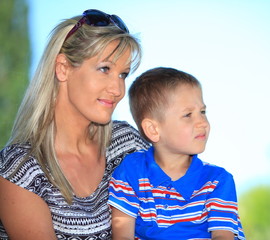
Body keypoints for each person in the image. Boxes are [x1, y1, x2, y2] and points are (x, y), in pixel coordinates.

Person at [0, 9, 150, 239]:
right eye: (105, 69)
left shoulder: (127, 144)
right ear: (63, 68)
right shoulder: (19, 170)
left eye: (123, 74)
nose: (118, 90)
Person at [108, 67, 246, 240]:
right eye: (188, 115)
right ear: (153, 129)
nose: (202, 122)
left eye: (202, 112)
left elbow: (222, 236)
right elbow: (122, 236)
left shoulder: (217, 180)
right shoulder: (130, 172)